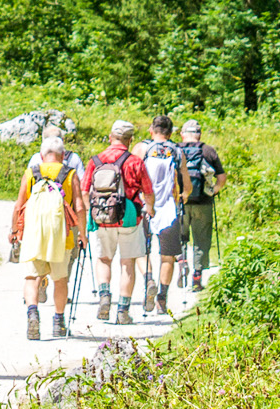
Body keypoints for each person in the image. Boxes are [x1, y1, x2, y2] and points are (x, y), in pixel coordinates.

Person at [11, 137, 86, 340]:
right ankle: (59, 323)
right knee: (60, 279)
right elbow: (79, 206)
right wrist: (83, 234)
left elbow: (19, 205)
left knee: (32, 277)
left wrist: (14, 231)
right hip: (62, 236)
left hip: (33, 234)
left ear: (42, 156)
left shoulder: (31, 172)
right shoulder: (70, 174)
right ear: (63, 156)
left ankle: (33, 314)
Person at [85, 121, 155, 326]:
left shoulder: (95, 160)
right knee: (128, 263)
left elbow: (84, 189)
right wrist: (150, 208)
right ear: (130, 140)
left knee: (104, 259)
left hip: (102, 217)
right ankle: (123, 311)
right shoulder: (135, 161)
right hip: (129, 216)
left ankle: (104, 295)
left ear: (110, 137)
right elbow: (148, 192)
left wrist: (93, 213)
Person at [132, 116, 189, 315]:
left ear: (151, 130)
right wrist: (184, 196)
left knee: (140, 251)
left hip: (144, 206)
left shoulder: (141, 149)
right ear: (171, 133)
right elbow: (186, 185)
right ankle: (162, 300)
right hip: (169, 210)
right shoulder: (177, 151)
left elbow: (131, 176)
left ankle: (149, 280)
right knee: (168, 256)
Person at [179, 119, 229, 290]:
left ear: (182, 134)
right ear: (199, 134)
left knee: (180, 235)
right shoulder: (208, 150)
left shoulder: (175, 149)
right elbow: (221, 178)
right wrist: (212, 191)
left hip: (180, 202)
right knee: (201, 240)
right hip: (203, 202)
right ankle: (197, 277)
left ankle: (182, 261)